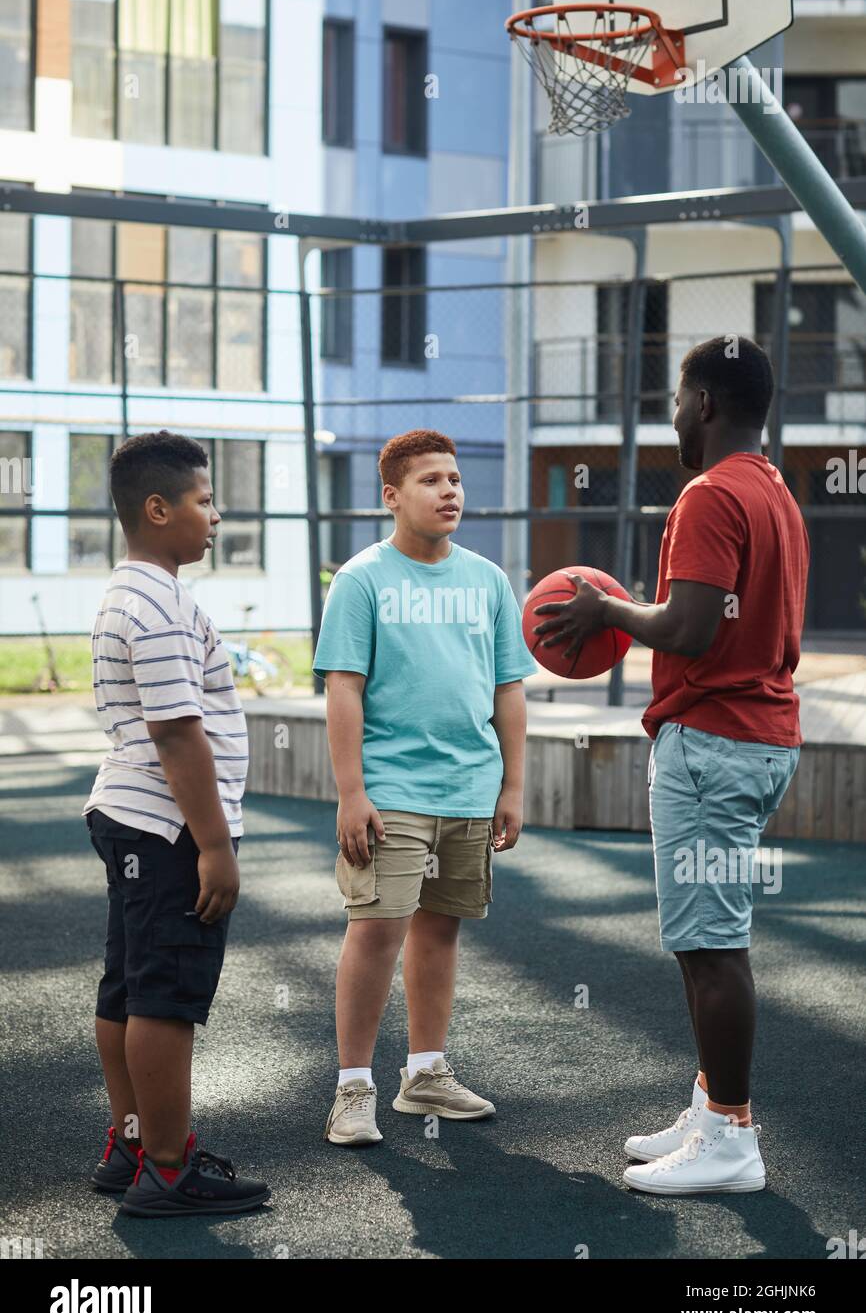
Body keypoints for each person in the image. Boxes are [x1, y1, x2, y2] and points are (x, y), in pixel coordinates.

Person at [534, 337, 809, 1195]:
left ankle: (733, 1140)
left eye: (678, 398)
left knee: (714, 944)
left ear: (706, 403)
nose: (672, 412)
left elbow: (689, 627)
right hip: (754, 737)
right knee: (704, 942)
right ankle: (711, 1108)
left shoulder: (709, 494)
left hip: (715, 742)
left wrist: (605, 609)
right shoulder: (773, 492)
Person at [313, 429, 537, 1145]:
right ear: (392, 496)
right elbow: (343, 689)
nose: (450, 492)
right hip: (391, 791)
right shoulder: (361, 580)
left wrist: (512, 786)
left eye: (455, 480)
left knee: (439, 931)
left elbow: (509, 690)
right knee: (377, 930)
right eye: (432, 481)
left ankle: (425, 1076)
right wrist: (352, 791)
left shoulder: (488, 580)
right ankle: (352, 1089)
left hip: (469, 789)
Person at [82, 430, 269, 1216]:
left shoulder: (139, 591)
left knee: (128, 986)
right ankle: (166, 1166)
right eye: (203, 499)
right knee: (165, 995)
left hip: (133, 818)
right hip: (166, 828)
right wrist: (215, 846)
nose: (217, 516)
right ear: (156, 509)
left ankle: (132, 1143)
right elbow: (175, 730)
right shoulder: (155, 604)